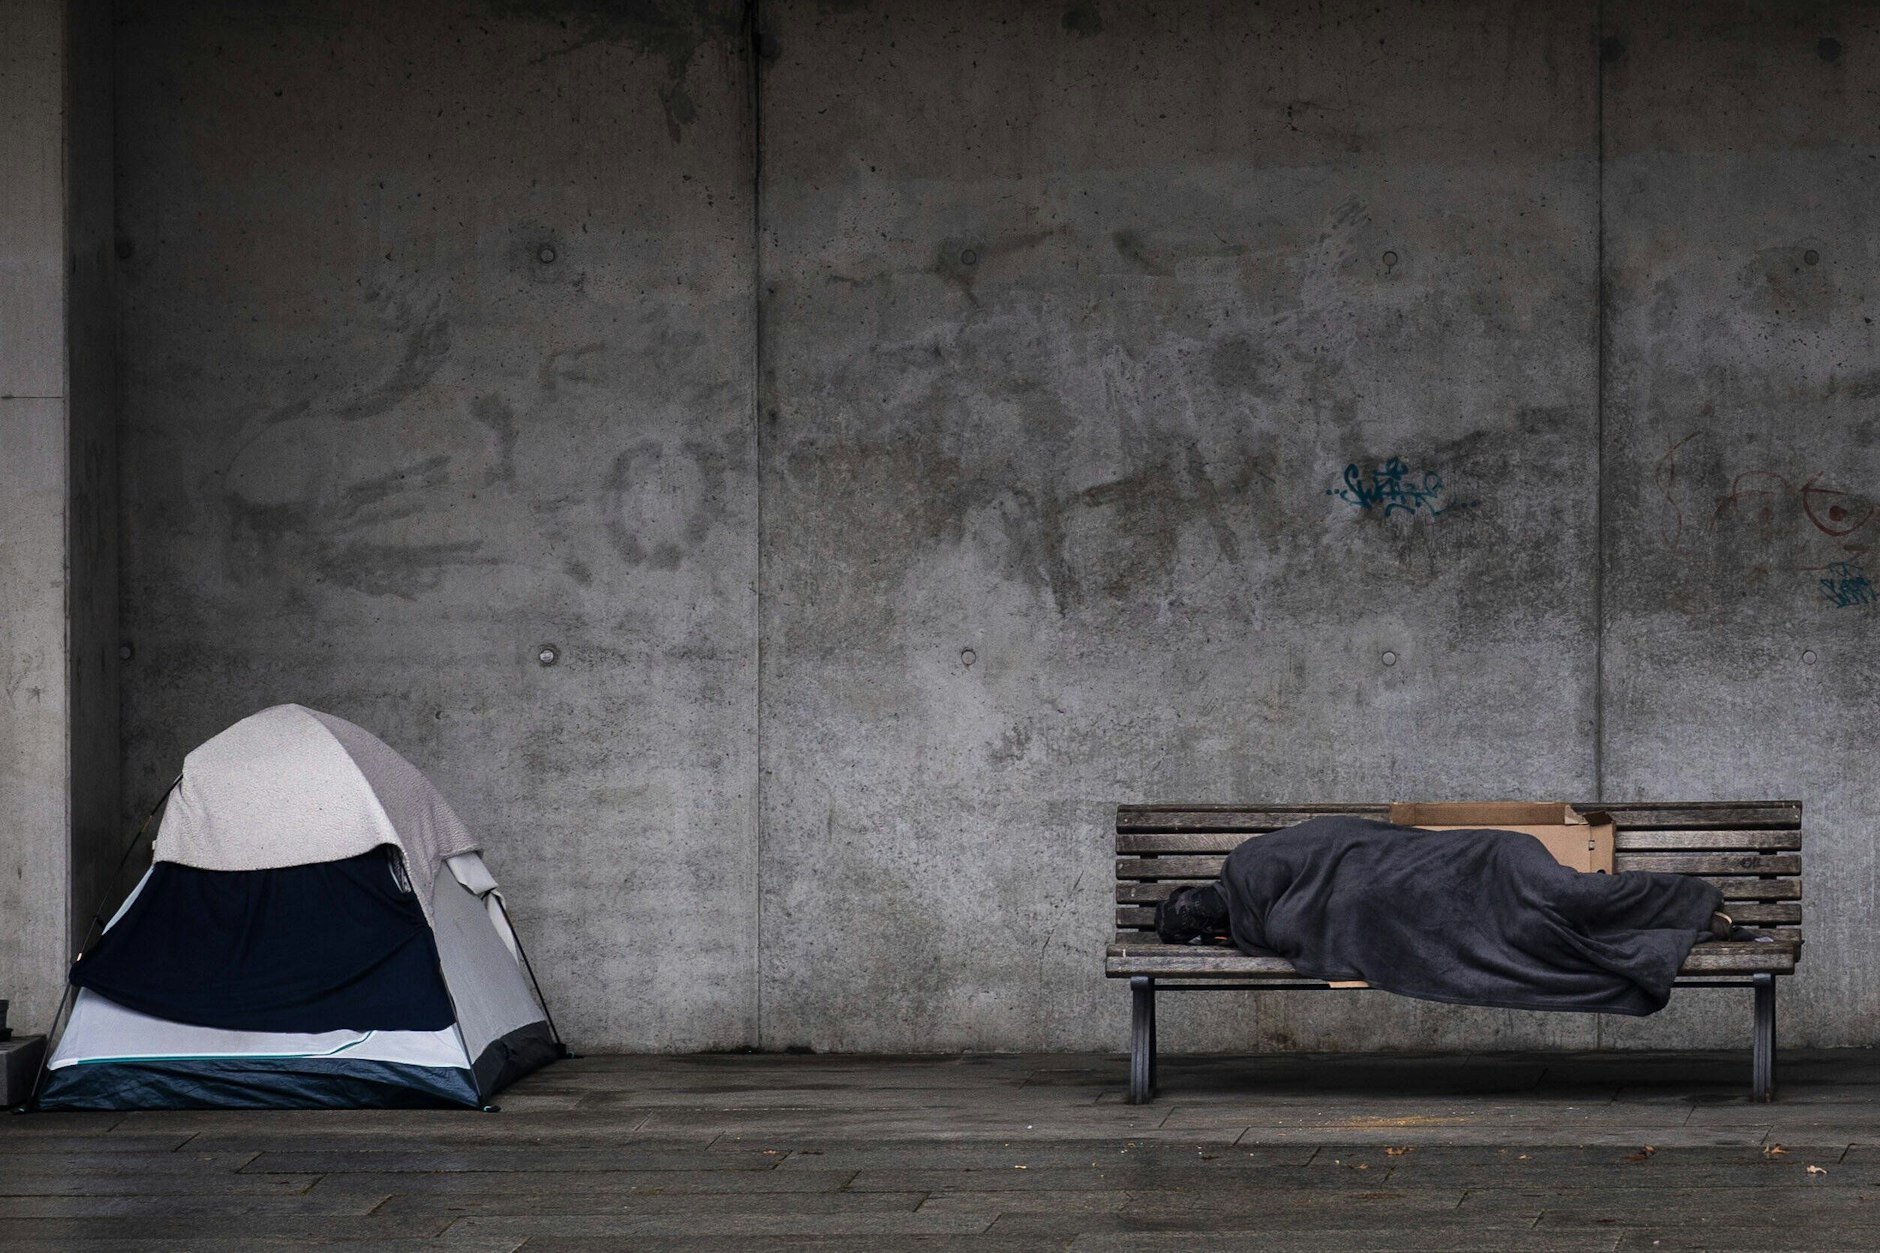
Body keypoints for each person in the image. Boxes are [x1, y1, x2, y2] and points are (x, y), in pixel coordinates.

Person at [1153, 815, 1736, 1017]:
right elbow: (1354, 844)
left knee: (1570, 905)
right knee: (1558, 914)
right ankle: (1685, 922)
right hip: (1477, 858)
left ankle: (1694, 902)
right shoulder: (1258, 868)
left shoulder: (1262, 896)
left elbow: (1333, 889)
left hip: (1476, 863)